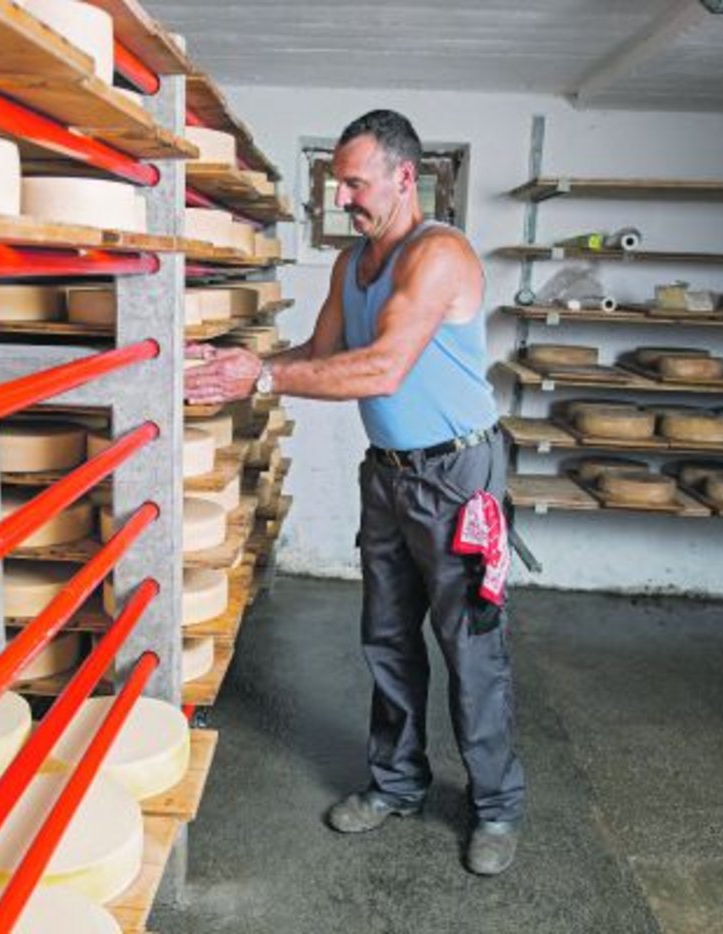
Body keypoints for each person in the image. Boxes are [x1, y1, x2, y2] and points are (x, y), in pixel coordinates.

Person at [184, 109, 524, 875]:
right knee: (388, 637)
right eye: (339, 184)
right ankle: (398, 783)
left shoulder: (436, 256)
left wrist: (264, 377)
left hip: (458, 478)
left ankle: (496, 807)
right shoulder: (351, 263)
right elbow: (322, 354)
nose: (345, 199)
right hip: (391, 476)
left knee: (472, 649)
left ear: (407, 178)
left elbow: (381, 369)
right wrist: (237, 362)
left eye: (357, 183)